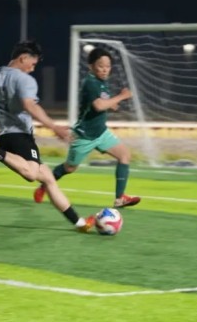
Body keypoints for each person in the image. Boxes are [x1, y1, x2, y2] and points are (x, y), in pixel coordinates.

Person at [0, 35, 95, 233]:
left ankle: (79, 223)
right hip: (20, 136)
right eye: (33, 64)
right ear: (23, 58)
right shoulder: (25, 80)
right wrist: (54, 127)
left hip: (5, 137)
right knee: (31, 174)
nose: (32, 68)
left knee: (48, 179)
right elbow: (30, 105)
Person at [33, 47, 141, 208]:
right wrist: (122, 96)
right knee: (70, 168)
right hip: (84, 135)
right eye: (100, 66)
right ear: (91, 66)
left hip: (101, 133)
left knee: (124, 155)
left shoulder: (102, 82)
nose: (105, 69)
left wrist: (111, 104)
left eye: (108, 66)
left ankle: (120, 199)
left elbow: (101, 103)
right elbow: (98, 105)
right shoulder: (90, 82)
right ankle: (44, 186)